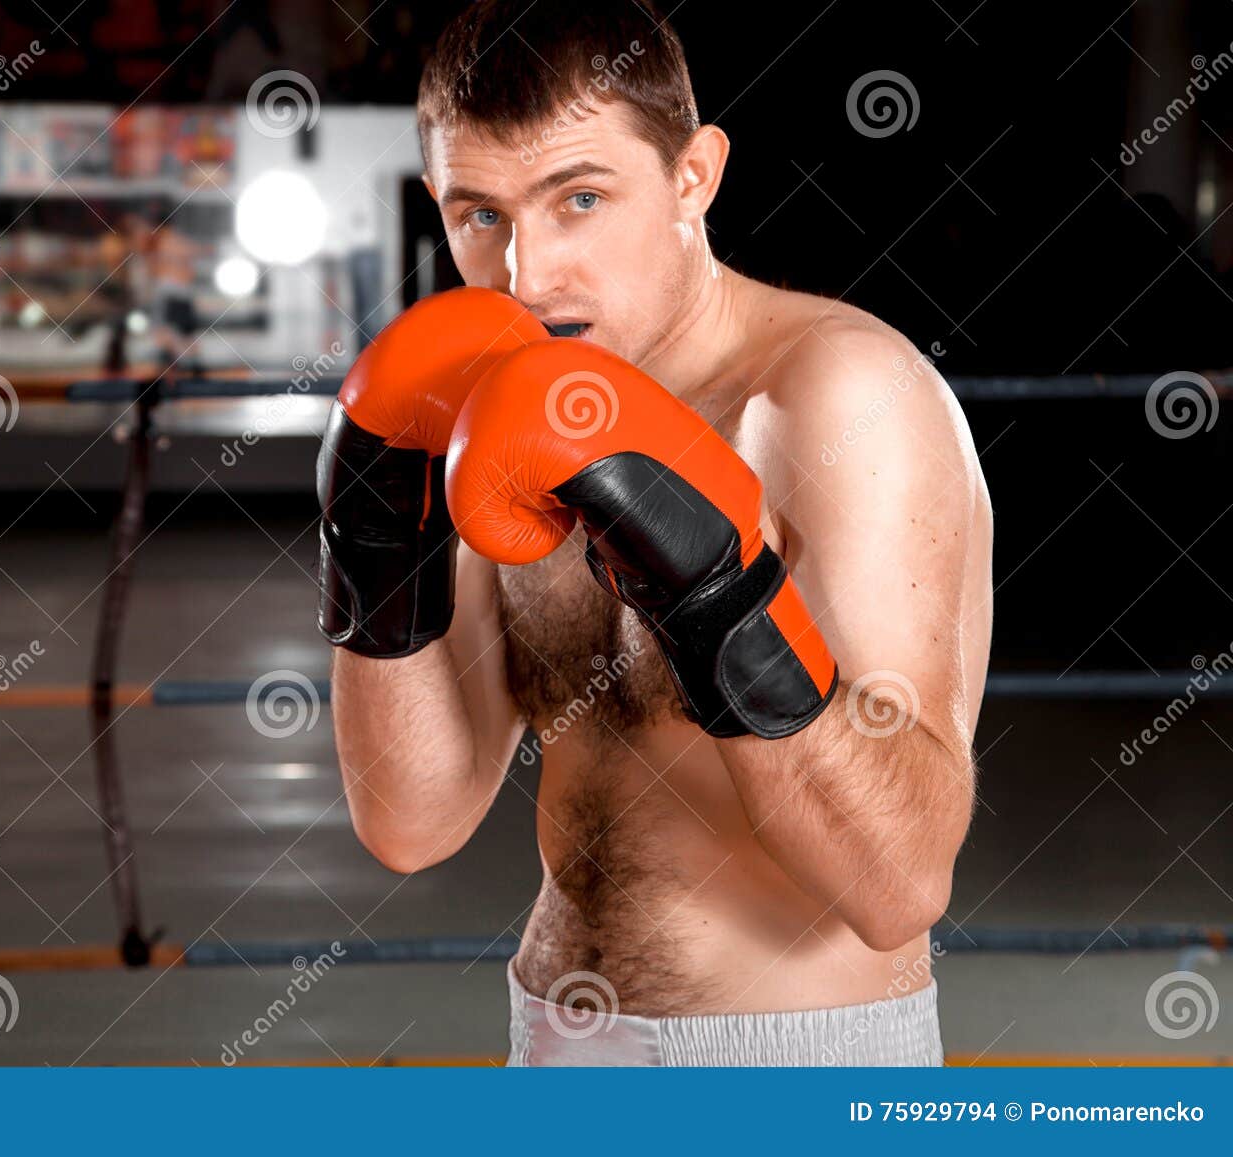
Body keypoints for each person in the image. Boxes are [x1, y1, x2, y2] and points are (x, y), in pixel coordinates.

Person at [315, 0, 992, 1066]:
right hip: (551, 1045)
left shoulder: (835, 397)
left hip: (789, 1071)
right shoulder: (494, 416)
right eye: (477, 214)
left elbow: (898, 882)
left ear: (693, 178)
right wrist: (372, 541)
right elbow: (413, 821)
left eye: (577, 199)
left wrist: (718, 594)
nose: (525, 275)